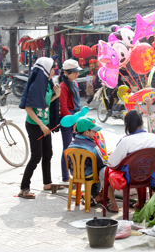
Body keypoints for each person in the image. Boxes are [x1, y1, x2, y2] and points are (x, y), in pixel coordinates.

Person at [100, 110, 155, 213]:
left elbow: (113, 162)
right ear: (142, 123)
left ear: (127, 126)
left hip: (130, 179)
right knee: (137, 167)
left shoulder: (126, 141)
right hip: (148, 176)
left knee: (105, 171)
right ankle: (140, 202)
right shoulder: (154, 138)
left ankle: (114, 205)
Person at [18, 57, 61, 199]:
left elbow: (45, 103)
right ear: (45, 70)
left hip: (44, 123)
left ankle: (47, 183)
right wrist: (41, 125)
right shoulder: (36, 86)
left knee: (48, 153)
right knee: (36, 156)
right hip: (34, 125)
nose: (54, 71)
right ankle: (24, 188)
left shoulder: (48, 84)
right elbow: (28, 108)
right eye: (52, 68)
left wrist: (57, 95)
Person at [67, 116, 106, 204]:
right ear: (87, 132)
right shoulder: (92, 146)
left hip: (74, 173)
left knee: (91, 169)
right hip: (89, 175)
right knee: (102, 171)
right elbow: (101, 164)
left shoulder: (71, 145)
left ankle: (93, 195)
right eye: (93, 131)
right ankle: (98, 195)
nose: (95, 132)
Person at [58, 59, 83, 182]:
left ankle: (77, 173)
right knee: (67, 148)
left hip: (76, 118)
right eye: (74, 72)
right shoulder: (63, 86)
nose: (76, 74)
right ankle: (65, 177)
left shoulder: (75, 83)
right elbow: (63, 108)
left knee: (79, 146)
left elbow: (77, 104)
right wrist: (73, 122)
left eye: (77, 71)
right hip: (67, 120)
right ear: (66, 73)